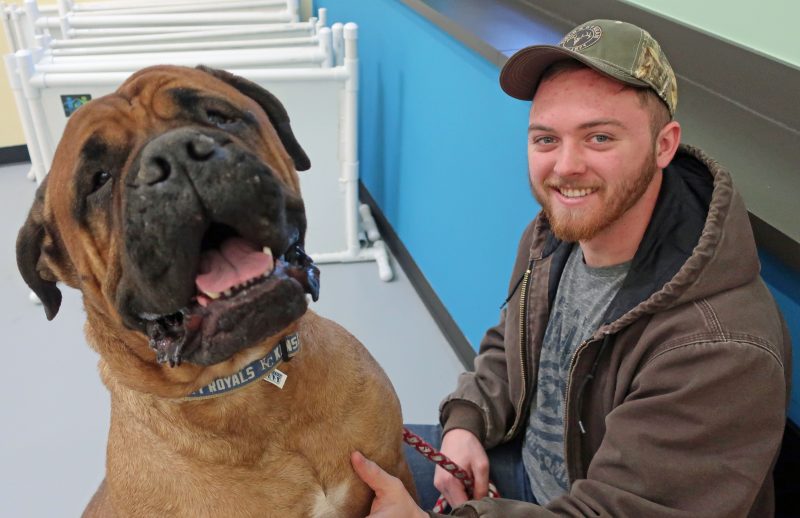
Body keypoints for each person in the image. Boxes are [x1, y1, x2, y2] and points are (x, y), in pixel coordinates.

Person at [350, 19, 792, 517]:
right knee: (325, 470)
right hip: (518, 472)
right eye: (545, 139)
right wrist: (465, 424)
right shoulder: (553, 238)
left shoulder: (719, 345)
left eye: (599, 138)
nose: (565, 167)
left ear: (664, 145)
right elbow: (507, 345)